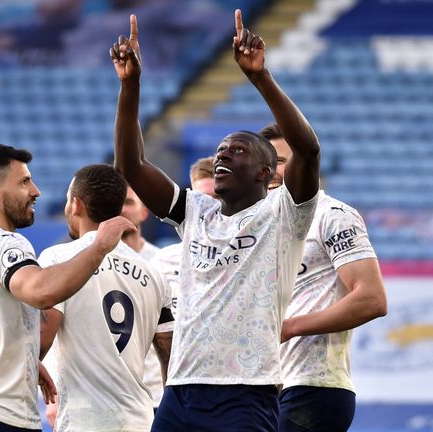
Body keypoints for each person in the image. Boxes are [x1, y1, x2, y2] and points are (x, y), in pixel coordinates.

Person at [110, 10, 321, 431]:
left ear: (268, 173)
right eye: (221, 149)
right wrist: (130, 85)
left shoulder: (283, 213)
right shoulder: (195, 211)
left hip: (245, 391)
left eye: (238, 151)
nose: (223, 154)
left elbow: (309, 150)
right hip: (181, 390)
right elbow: (130, 165)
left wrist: (261, 77)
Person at [0, 141, 134, 431]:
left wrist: (22, 359)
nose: (35, 191)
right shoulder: (3, 243)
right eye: (24, 182)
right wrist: (99, 247)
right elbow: (40, 291)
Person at [262, 122, 387, 432]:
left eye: (280, 161)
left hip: (313, 386)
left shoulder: (332, 215)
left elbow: (372, 299)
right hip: (262, 388)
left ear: (305, 161)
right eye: (267, 163)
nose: (271, 171)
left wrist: (290, 327)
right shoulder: (259, 224)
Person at [39, 164, 174, 431]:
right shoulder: (153, 273)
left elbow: (42, 338)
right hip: (139, 418)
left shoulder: (57, 259)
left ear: (76, 204)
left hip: (83, 419)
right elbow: (171, 361)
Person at [151, 156, 218, 318]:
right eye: (202, 199)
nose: (211, 207)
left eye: (217, 198)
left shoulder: (244, 256)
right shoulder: (162, 261)